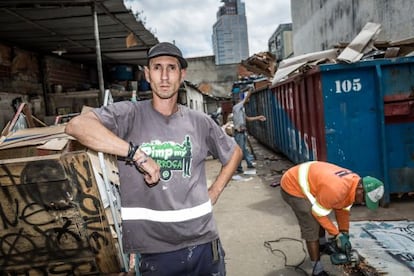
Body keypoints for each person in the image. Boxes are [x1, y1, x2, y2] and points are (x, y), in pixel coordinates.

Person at [65, 42, 243, 275]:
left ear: (182, 74)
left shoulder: (200, 121)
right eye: (157, 68)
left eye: (171, 68)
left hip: (203, 242)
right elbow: (77, 126)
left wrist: (215, 192)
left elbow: (234, 153)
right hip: (154, 251)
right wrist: (135, 153)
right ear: (147, 74)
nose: (165, 76)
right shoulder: (129, 114)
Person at [280, 161, 384, 276]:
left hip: (312, 180)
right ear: (360, 188)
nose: (363, 203)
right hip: (293, 186)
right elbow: (318, 213)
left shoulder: (353, 184)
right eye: (364, 199)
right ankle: (317, 270)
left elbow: (343, 209)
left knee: (323, 212)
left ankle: (322, 245)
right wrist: (336, 234)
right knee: (312, 224)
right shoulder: (336, 189)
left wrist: (344, 233)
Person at [232, 87, 266, 173]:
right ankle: (239, 168)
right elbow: (245, 99)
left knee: (245, 150)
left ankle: (249, 164)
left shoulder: (241, 109)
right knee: (240, 150)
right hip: (239, 133)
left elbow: (247, 119)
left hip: (242, 132)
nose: (248, 100)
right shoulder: (237, 107)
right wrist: (250, 91)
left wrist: (258, 117)